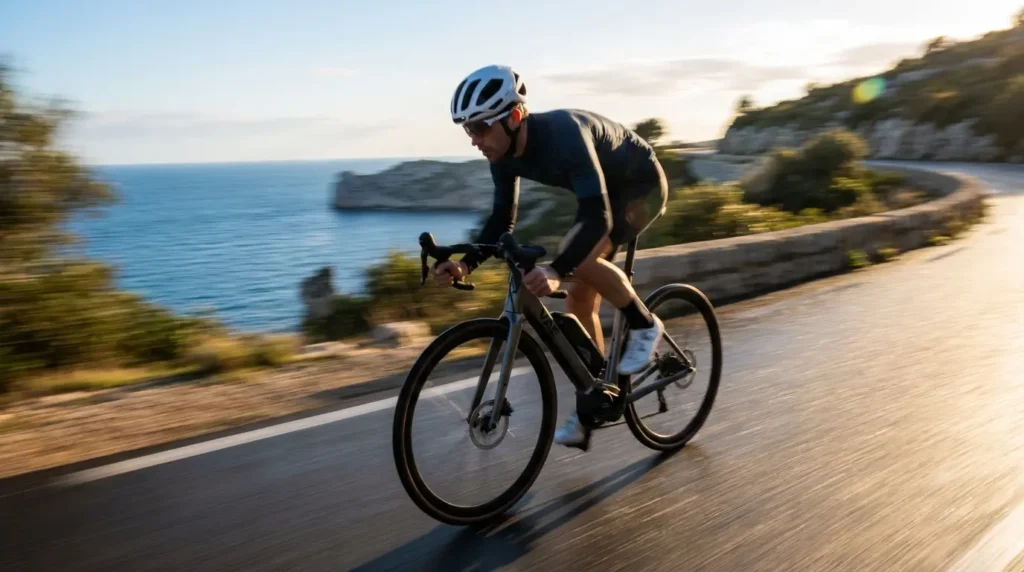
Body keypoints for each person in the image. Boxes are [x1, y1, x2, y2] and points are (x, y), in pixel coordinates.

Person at [434, 64, 668, 451]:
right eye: (467, 129)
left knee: (580, 262)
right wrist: (465, 263)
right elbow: (500, 220)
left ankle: (644, 324)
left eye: (479, 127)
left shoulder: (564, 134)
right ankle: (597, 395)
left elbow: (600, 218)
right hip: (600, 197)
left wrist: (557, 270)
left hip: (641, 185)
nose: (473, 139)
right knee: (579, 299)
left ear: (512, 117)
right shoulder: (502, 155)